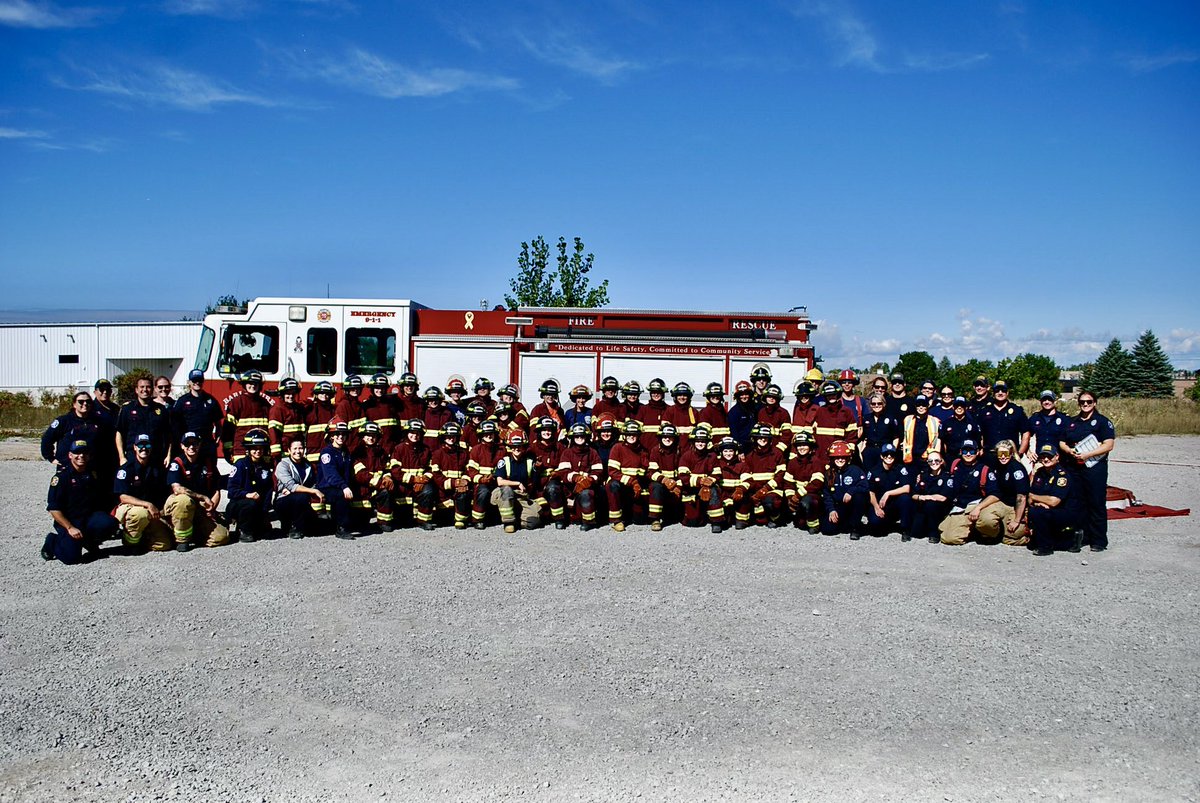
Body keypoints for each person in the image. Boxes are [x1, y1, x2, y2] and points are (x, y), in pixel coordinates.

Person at [42, 438, 120, 564]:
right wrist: (70, 527)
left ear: (89, 455)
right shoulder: (61, 478)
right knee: (71, 558)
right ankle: (52, 541)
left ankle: (89, 541)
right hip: (70, 521)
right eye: (77, 453)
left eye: (84, 453)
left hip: (88, 518)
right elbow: (54, 509)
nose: (81, 456)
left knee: (109, 523)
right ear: (70, 455)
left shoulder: (92, 474)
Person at [1059, 391, 1116, 553]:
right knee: (1077, 503)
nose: (1085, 404)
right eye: (1082, 402)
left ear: (1095, 403)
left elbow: (1108, 445)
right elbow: (1062, 441)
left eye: (1089, 402)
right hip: (1074, 468)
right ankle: (1079, 539)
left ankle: (1098, 540)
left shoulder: (1102, 422)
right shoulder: (1072, 422)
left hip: (1094, 468)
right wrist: (1069, 451)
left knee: (1096, 502)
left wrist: (1087, 454)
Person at [165, 431, 231, 550]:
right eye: (187, 444)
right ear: (182, 446)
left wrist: (211, 508)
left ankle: (197, 535)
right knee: (183, 501)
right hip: (182, 506)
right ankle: (182, 540)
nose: (191, 447)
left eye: (194, 443)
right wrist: (202, 497)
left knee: (222, 537)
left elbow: (216, 489)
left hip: (201, 508)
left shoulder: (207, 463)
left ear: (199, 445)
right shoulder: (177, 463)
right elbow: (177, 489)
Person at [113, 433, 174, 552]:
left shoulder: (157, 468)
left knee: (165, 544)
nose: (144, 448)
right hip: (132, 508)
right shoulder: (126, 469)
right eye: (140, 445)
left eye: (147, 445)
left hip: (151, 512)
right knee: (139, 514)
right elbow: (122, 497)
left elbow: (164, 492)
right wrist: (148, 505)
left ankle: (143, 539)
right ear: (135, 447)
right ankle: (130, 543)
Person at [42, 391, 116, 481]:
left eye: (88, 401)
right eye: (81, 401)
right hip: (68, 466)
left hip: (91, 467)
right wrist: (51, 458)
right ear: (74, 404)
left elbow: (106, 442)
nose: (85, 404)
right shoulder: (64, 421)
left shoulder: (98, 422)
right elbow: (47, 439)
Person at [1028, 443, 1086, 556]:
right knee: (1035, 514)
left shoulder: (1062, 476)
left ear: (1057, 457)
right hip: (1047, 509)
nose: (1046, 459)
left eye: (1049, 456)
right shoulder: (1040, 473)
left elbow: (1054, 501)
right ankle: (1058, 541)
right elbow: (1030, 497)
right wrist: (1039, 502)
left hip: (1065, 512)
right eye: (1043, 456)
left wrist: (1036, 499)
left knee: (1038, 513)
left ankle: (1046, 547)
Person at [969, 439, 1029, 546]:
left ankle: (1023, 536)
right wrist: (979, 507)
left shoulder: (1017, 469)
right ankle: (994, 535)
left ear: (1011, 453)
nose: (1003, 457)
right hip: (1001, 502)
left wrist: (1016, 520)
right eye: (1000, 454)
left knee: (1014, 534)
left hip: (1015, 505)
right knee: (984, 521)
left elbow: (1021, 497)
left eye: (1005, 453)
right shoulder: (997, 465)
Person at [226, 428, 275, 542]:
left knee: (265, 532)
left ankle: (254, 524)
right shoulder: (240, 465)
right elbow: (231, 490)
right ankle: (244, 531)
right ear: (248, 449)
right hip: (239, 504)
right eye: (254, 448)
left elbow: (268, 490)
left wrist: (265, 512)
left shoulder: (265, 467)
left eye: (261, 448)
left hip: (257, 506)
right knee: (250, 504)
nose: (258, 451)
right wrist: (247, 494)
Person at [273, 436, 325, 539]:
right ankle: (293, 527)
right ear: (289, 450)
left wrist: (312, 490)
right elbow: (291, 486)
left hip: (300, 501)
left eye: (300, 448)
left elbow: (312, 484)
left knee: (321, 529)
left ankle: (300, 525)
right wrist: (312, 491)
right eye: (295, 449)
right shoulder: (282, 465)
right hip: (282, 501)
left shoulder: (307, 465)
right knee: (301, 497)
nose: (298, 451)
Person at [939, 440, 989, 546]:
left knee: (951, 539)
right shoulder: (955, 464)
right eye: (965, 451)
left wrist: (978, 508)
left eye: (972, 451)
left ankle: (977, 531)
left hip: (973, 506)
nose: (968, 454)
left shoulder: (984, 469)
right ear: (961, 452)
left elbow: (995, 494)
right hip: (958, 506)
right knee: (941, 530)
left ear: (978, 452)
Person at [389, 419, 437, 531]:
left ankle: (424, 520)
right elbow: (395, 470)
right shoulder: (399, 448)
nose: (414, 436)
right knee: (404, 522)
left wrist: (425, 478)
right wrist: (413, 479)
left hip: (422, 483)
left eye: (417, 433)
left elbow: (432, 468)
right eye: (412, 433)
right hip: (403, 484)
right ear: (406, 433)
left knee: (428, 491)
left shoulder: (425, 449)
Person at [555, 423, 604, 530]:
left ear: (587, 437)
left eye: (582, 436)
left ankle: (588, 521)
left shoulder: (592, 453)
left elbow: (598, 471)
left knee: (587, 494)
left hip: (587, 488)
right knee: (554, 490)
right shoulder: (567, 453)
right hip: (569, 489)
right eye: (577, 436)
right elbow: (563, 472)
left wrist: (589, 480)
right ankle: (560, 519)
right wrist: (576, 478)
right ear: (572, 438)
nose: (579, 438)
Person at [315, 419, 358, 540]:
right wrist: (344, 487)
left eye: (344, 434)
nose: (341, 436)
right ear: (331, 436)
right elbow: (330, 475)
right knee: (341, 495)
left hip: (340, 484)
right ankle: (341, 528)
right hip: (326, 487)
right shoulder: (327, 453)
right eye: (337, 434)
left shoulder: (345, 451)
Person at [493, 431, 543, 533]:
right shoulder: (504, 461)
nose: (516, 449)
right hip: (503, 494)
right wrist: (518, 483)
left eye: (519, 446)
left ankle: (517, 519)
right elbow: (500, 482)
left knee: (534, 522)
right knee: (507, 490)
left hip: (521, 496)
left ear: (524, 447)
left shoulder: (529, 462)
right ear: (510, 447)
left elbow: (535, 482)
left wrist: (537, 469)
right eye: (513, 446)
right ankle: (509, 523)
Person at [115, 375, 170, 466]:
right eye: (142, 387)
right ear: (136, 390)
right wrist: (122, 457)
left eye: (148, 387)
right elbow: (119, 433)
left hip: (155, 458)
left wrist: (168, 455)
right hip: (132, 457)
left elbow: (168, 435)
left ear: (152, 389)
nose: (145, 389)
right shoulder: (127, 409)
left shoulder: (161, 409)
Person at [169, 369, 223, 461]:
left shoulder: (211, 400)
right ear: (189, 382)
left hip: (206, 445)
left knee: (209, 472)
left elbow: (218, 423)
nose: (197, 383)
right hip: (189, 445)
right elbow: (175, 425)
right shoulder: (182, 401)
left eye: (200, 380)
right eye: (194, 380)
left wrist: (216, 441)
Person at [678, 423, 724, 532]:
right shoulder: (686, 456)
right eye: (698, 441)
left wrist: (709, 482)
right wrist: (701, 481)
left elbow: (717, 473)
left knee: (714, 491)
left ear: (707, 443)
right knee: (693, 523)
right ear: (693, 442)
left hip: (708, 487)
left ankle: (716, 522)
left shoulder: (712, 456)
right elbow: (683, 476)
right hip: (690, 488)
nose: (700, 443)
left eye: (703, 441)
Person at [606, 419, 650, 532]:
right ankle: (616, 520)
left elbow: (645, 471)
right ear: (624, 435)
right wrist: (632, 481)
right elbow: (612, 471)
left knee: (640, 521)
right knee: (613, 486)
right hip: (620, 484)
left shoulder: (643, 451)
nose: (632, 436)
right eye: (628, 434)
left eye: (634, 434)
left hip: (635, 486)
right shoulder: (617, 448)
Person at [820, 440, 868, 539]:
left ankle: (855, 528)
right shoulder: (828, 473)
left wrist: (851, 491)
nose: (840, 460)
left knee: (860, 496)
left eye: (843, 457)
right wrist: (831, 510)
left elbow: (865, 486)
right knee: (826, 530)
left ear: (848, 458)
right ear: (832, 459)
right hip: (838, 507)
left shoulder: (856, 470)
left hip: (852, 506)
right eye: (837, 457)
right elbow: (826, 494)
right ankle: (845, 524)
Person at [222, 370, 274, 463]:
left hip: (261, 451)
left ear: (260, 385)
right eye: (250, 383)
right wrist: (228, 449)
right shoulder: (236, 403)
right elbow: (228, 430)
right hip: (241, 450)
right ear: (244, 384)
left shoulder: (265, 404)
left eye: (256, 383)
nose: (253, 386)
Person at [352, 421, 394, 531]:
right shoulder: (357, 452)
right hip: (362, 491)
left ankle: (383, 522)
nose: (371, 438)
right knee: (360, 524)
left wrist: (388, 477)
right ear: (362, 436)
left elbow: (387, 468)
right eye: (368, 435)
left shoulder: (381, 452)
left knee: (386, 493)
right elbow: (360, 474)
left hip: (378, 489)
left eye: (374, 436)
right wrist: (379, 482)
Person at [430, 421, 472, 529]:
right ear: (443, 437)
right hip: (442, 491)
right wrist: (454, 483)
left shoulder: (464, 453)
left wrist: (465, 481)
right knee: (444, 520)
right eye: (448, 436)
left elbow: (469, 470)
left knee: (464, 494)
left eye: (454, 436)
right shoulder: (437, 454)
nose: (451, 438)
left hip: (459, 489)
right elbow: (436, 475)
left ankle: (460, 520)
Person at [743, 423, 786, 527]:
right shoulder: (749, 456)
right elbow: (747, 476)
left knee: (770, 503)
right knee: (760, 521)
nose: (762, 440)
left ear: (770, 439)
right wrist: (755, 493)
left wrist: (765, 490)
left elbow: (781, 475)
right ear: (755, 439)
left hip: (772, 489)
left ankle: (775, 517)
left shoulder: (777, 454)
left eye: (765, 438)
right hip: (756, 490)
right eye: (760, 437)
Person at [866, 443, 912, 538]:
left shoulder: (900, 469)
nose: (889, 457)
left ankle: (905, 529)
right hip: (880, 505)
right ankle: (885, 523)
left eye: (892, 454)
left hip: (894, 505)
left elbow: (907, 488)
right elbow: (871, 492)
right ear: (881, 456)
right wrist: (877, 508)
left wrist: (888, 493)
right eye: (886, 454)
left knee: (905, 498)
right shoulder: (874, 471)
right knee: (876, 528)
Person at [782, 431, 824, 533]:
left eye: (805, 445)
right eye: (799, 445)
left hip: (814, 497)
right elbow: (788, 483)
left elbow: (817, 483)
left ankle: (814, 524)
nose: (802, 448)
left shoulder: (816, 462)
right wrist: (790, 498)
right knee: (800, 524)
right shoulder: (792, 463)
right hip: (798, 497)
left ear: (810, 446)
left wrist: (798, 495)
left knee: (807, 502)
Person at [977, 381, 1030, 462]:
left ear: (1007, 392)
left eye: (1003, 390)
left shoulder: (1017, 411)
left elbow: (1026, 433)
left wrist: (1020, 453)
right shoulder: (984, 411)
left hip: (1010, 456)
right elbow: (979, 434)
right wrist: (980, 449)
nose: (1000, 393)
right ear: (993, 393)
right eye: (997, 390)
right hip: (989, 456)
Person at [908, 451, 952, 543]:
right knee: (916, 533)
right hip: (923, 508)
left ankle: (934, 533)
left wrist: (927, 497)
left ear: (941, 461)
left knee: (931, 504)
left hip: (940, 510)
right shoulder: (923, 476)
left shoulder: (947, 477)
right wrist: (920, 497)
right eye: (930, 461)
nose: (933, 463)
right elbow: (913, 494)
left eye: (936, 460)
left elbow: (943, 497)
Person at [647, 423, 683, 531]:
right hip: (661, 483)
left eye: (670, 436)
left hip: (676, 484)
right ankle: (655, 519)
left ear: (674, 438)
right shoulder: (655, 451)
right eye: (664, 436)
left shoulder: (679, 451)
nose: (667, 439)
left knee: (685, 519)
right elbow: (652, 472)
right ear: (660, 437)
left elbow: (684, 471)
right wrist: (664, 480)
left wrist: (679, 485)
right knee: (655, 487)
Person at [467, 420, 503, 528]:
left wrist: (496, 476)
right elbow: (471, 471)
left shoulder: (502, 450)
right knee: (483, 491)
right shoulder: (476, 450)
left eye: (491, 433)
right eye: (486, 434)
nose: (488, 436)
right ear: (481, 435)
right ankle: (478, 519)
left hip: (497, 481)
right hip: (481, 483)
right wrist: (481, 479)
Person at [531, 416, 566, 526]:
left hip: (555, 482)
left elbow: (565, 466)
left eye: (550, 430)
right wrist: (536, 468)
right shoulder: (532, 448)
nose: (547, 432)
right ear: (539, 432)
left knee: (553, 488)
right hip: (537, 484)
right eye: (544, 430)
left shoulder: (560, 447)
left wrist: (557, 474)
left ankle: (559, 519)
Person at [813, 381, 858, 460]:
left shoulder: (846, 412)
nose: (831, 397)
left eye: (833, 394)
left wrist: (848, 452)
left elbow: (852, 435)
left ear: (838, 394)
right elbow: (814, 434)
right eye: (828, 395)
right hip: (821, 456)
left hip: (840, 456)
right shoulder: (820, 411)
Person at [714, 436, 751, 530]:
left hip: (737, 494)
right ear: (721, 452)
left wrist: (740, 489)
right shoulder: (716, 464)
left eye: (731, 451)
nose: (728, 454)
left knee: (746, 495)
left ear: (735, 452)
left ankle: (741, 520)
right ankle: (717, 521)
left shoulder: (742, 465)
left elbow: (748, 481)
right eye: (725, 451)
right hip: (723, 495)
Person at [268, 377, 308, 459]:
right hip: (283, 452)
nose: (291, 396)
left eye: (293, 393)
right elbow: (273, 431)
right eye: (288, 394)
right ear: (282, 394)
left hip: (296, 452)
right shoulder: (277, 409)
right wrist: (276, 452)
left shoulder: (298, 408)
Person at [859, 393, 901, 473]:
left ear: (884, 404)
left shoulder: (890, 418)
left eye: (879, 403)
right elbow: (863, 437)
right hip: (869, 452)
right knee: (868, 474)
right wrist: (862, 451)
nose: (876, 405)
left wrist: (892, 451)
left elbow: (896, 437)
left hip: (884, 451)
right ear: (870, 405)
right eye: (873, 403)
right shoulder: (866, 418)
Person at [901, 395, 941, 467]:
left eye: (923, 404)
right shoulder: (907, 420)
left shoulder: (935, 421)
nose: (921, 407)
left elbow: (937, 441)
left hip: (928, 459)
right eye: (918, 404)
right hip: (911, 459)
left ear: (928, 406)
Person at [1027, 389, 1069, 458]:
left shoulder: (1064, 419)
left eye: (1049, 399)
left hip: (1059, 461)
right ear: (1040, 401)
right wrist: (1028, 453)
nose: (1047, 402)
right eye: (1044, 400)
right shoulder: (1035, 418)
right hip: (1040, 459)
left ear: (1054, 401)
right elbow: (1025, 435)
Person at [362, 373, 399, 450]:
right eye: (377, 387)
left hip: (391, 447)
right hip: (375, 448)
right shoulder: (366, 406)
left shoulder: (392, 404)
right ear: (372, 388)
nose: (380, 390)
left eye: (382, 388)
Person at [304, 380, 338, 461]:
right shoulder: (309, 409)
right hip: (313, 452)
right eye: (321, 393)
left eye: (327, 393)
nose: (324, 395)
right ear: (316, 394)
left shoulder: (334, 411)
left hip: (329, 451)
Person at [333, 374, 366, 450]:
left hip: (360, 446)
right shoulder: (343, 405)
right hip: (349, 447)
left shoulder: (360, 406)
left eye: (358, 388)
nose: (355, 391)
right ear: (347, 390)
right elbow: (340, 430)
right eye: (352, 389)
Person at [755, 384, 791, 453]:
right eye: (769, 396)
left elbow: (787, 436)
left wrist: (778, 450)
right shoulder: (761, 412)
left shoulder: (783, 413)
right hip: (763, 449)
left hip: (779, 450)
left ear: (778, 398)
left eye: (774, 397)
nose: (771, 398)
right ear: (765, 397)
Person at [727, 381, 758, 453]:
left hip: (755, 446)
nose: (744, 397)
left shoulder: (755, 409)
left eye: (746, 394)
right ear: (737, 396)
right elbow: (734, 433)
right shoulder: (733, 412)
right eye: (741, 395)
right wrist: (739, 450)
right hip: (742, 447)